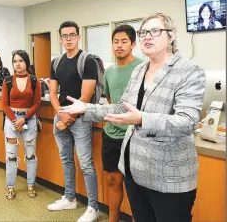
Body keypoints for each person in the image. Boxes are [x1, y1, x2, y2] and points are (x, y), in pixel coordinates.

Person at [59, 13, 206, 222]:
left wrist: (142, 119)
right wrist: (85, 108)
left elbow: (188, 121)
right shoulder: (139, 70)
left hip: (168, 177)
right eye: (143, 32)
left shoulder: (188, 71)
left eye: (155, 31)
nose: (147, 36)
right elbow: (121, 108)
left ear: (171, 36)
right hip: (134, 171)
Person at [47, 21, 101, 222]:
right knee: (66, 160)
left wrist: (68, 119)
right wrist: (60, 115)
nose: (68, 39)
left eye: (72, 35)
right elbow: (53, 92)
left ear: (79, 37)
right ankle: (69, 198)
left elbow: (85, 97)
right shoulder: (56, 62)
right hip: (61, 117)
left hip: (80, 119)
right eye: (65, 36)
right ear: (60, 39)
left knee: (86, 164)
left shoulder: (88, 61)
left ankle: (93, 207)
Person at [102, 24, 143, 222]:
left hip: (135, 135)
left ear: (133, 44)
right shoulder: (108, 71)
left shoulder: (143, 68)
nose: (119, 46)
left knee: (136, 186)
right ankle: (113, 219)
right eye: (115, 42)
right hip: (112, 134)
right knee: (113, 180)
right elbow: (111, 100)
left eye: (124, 41)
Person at [1, 50, 41, 199]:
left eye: (21, 61)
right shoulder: (8, 80)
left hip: (29, 120)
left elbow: (37, 103)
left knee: (30, 155)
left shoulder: (35, 80)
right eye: (15, 61)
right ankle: (10, 187)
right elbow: (4, 104)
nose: (18, 64)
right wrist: (14, 120)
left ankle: (31, 185)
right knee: (11, 155)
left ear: (27, 62)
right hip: (11, 120)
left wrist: (23, 119)